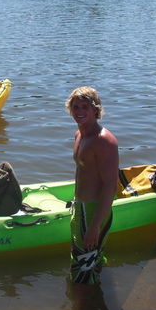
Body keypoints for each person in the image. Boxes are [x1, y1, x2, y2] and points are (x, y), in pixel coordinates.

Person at [65, 86, 118, 286]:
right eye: (75, 106)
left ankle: (85, 308)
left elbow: (110, 186)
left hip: (93, 211)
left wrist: (95, 226)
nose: (79, 111)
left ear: (95, 110)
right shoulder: (79, 135)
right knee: (88, 258)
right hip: (80, 207)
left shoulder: (103, 140)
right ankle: (96, 296)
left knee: (82, 268)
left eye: (84, 107)